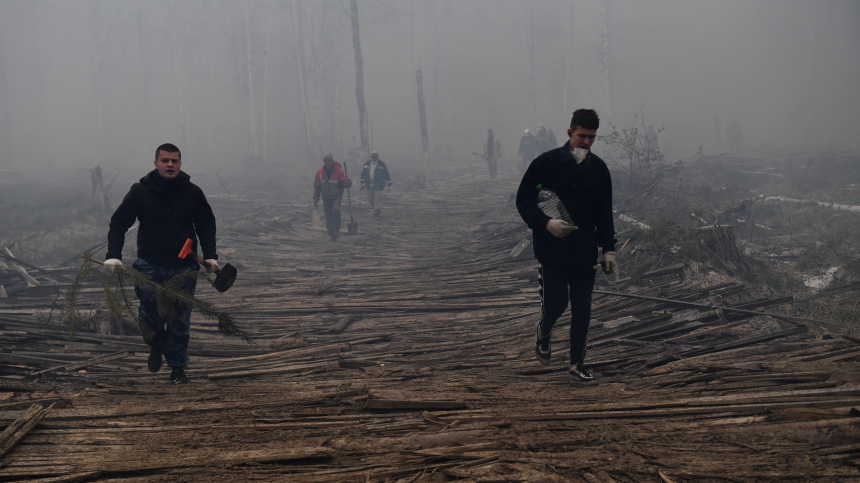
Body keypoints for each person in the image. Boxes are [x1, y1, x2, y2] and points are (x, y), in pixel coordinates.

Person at [103, 143, 218, 384]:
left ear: (180, 164)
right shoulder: (140, 191)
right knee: (149, 317)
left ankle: (177, 369)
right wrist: (113, 255)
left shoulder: (193, 192)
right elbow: (119, 223)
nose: (169, 165)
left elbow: (206, 225)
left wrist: (210, 255)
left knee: (179, 318)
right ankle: (156, 344)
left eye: (174, 161)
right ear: (155, 163)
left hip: (184, 267)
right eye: (165, 160)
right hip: (149, 266)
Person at [516, 109, 616, 385]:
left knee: (582, 308)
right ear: (570, 133)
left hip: (584, 249)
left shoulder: (599, 170)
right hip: (551, 249)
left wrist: (609, 250)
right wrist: (546, 224)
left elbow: (604, 213)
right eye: (582, 136)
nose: (586, 142)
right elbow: (524, 199)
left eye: (592, 138)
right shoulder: (545, 164)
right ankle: (544, 330)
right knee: (557, 303)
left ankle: (576, 365)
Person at [313, 153, 351, 241]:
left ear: (332, 162)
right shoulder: (320, 173)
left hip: (336, 196)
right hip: (326, 197)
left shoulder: (339, 172)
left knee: (336, 210)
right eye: (325, 161)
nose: (327, 163)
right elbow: (317, 188)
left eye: (329, 161)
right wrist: (316, 200)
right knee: (328, 216)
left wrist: (347, 183)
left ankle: (336, 230)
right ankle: (331, 233)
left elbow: (344, 182)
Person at [360, 150, 392, 219]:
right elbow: (363, 173)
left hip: (379, 185)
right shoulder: (367, 164)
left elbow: (386, 174)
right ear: (371, 157)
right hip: (369, 184)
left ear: (377, 157)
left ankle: (377, 213)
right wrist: (362, 182)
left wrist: (389, 184)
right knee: (370, 198)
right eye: (373, 158)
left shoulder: (382, 164)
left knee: (377, 199)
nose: (374, 159)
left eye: (375, 158)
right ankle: (377, 208)